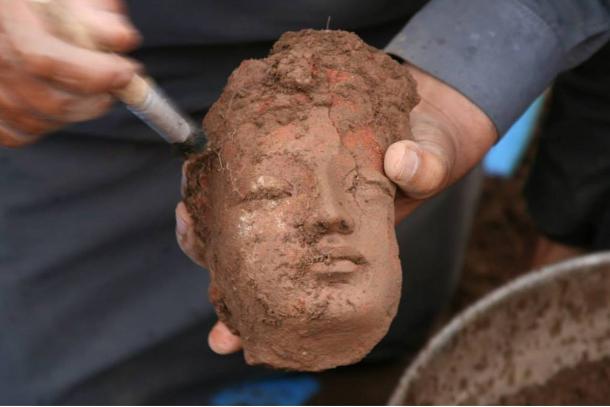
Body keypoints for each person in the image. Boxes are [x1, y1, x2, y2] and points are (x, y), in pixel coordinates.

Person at [0, 0, 608, 403]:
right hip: (77, 83)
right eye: (273, 190)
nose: (332, 213)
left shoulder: (397, 129)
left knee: (399, 326)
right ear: (206, 220)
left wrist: (476, 65)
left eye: (362, 186)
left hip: (417, 41)